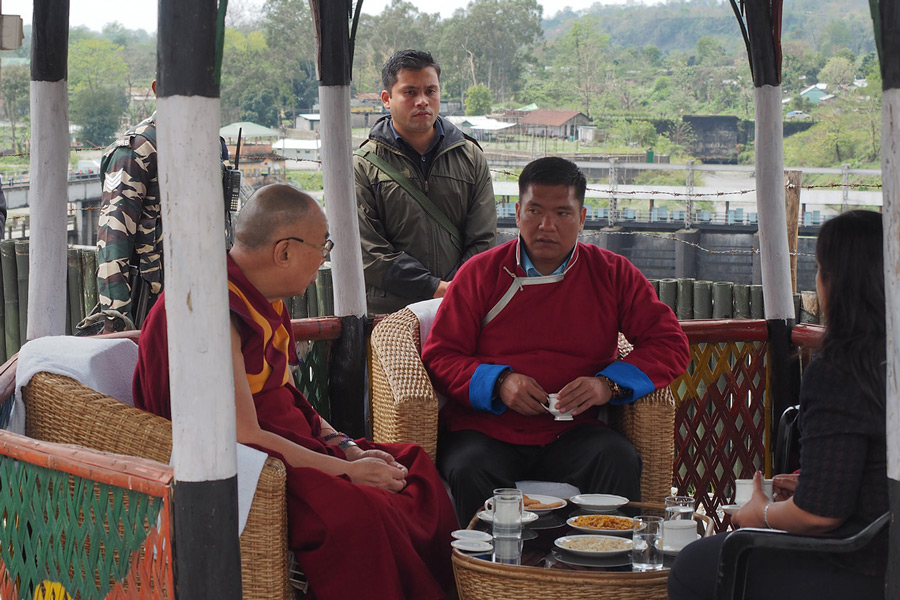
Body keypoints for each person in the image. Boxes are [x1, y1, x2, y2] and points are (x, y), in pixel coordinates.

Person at [133, 184, 457, 600]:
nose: (324, 256)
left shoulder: (266, 297)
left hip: (291, 444)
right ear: (284, 251)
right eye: (322, 246)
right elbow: (243, 435)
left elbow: (285, 391)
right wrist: (347, 471)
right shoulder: (209, 309)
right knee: (363, 513)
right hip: (256, 465)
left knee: (411, 464)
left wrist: (344, 446)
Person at [421, 156, 690, 524]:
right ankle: (484, 578)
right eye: (535, 211)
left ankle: (602, 571)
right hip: (485, 431)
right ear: (516, 213)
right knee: (469, 466)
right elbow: (440, 356)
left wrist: (607, 385)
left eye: (562, 213)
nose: (547, 226)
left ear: (582, 218)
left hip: (574, 431)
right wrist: (499, 383)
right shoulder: (479, 274)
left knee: (617, 458)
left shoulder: (613, 274)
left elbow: (670, 344)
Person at [668, 210, 888, 600]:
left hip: (863, 564)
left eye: (819, 270)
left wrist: (761, 513)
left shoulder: (842, 370)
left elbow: (818, 516)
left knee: (693, 565)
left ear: (834, 282)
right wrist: (816, 483)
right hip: (881, 546)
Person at [354, 49, 497, 315]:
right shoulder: (363, 165)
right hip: (391, 313)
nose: (422, 101)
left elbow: (484, 238)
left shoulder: (470, 156)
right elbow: (369, 254)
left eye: (431, 91)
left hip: (460, 308)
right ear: (387, 99)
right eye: (410, 92)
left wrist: (456, 288)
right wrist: (437, 288)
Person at [95, 80, 230, 330]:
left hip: (203, 296)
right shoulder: (138, 150)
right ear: (158, 89)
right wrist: (118, 320)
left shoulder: (209, 145)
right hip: (154, 303)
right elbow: (112, 241)